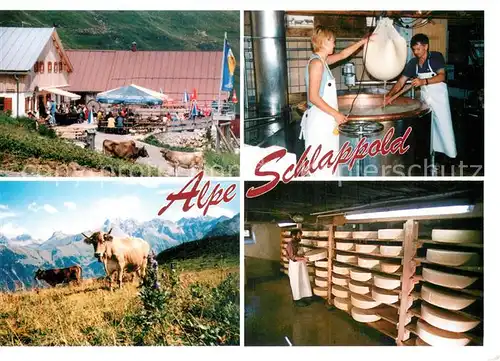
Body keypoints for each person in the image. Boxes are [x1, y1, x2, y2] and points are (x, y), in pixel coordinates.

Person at [300, 25, 373, 177]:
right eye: (332, 41)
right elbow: (313, 97)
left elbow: (343, 54)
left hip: (326, 121)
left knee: (330, 166)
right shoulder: (316, 64)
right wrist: (336, 114)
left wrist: (363, 42)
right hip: (319, 123)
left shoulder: (323, 61)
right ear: (324, 42)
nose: (334, 44)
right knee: (321, 169)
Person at [384, 33, 457, 168]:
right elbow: (401, 82)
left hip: (439, 96)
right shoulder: (413, 63)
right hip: (426, 97)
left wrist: (423, 81)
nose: (416, 52)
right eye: (414, 50)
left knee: (444, 125)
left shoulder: (436, 57)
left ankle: (451, 158)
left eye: (418, 49)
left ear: (426, 46)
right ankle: (433, 154)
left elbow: (441, 76)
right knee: (429, 126)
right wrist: (390, 95)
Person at [286, 229, 312, 307]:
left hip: (301, 265)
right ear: (294, 235)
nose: (300, 236)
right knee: (296, 282)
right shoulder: (291, 244)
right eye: (299, 235)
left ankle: (304, 296)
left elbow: (300, 253)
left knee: (303, 280)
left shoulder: (297, 243)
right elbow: (292, 257)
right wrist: (303, 259)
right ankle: (297, 299)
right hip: (295, 266)